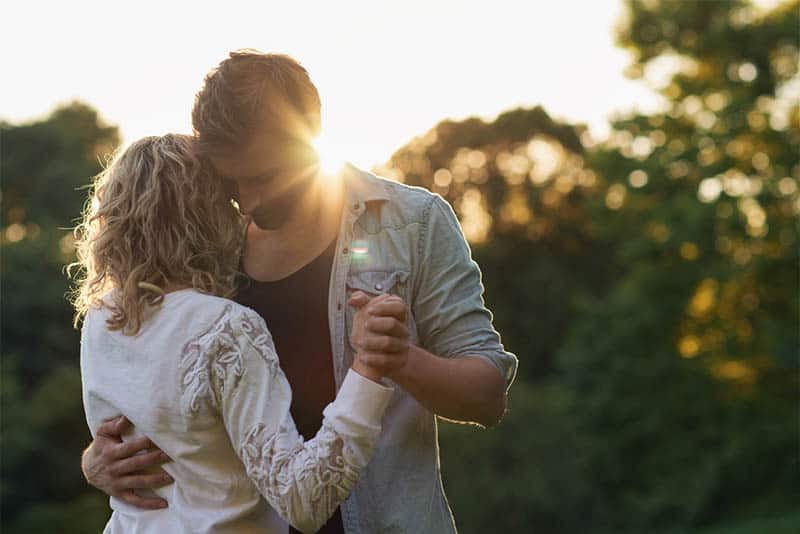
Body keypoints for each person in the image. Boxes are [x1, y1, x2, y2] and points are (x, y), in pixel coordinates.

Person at [82, 50, 518, 533]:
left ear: (311, 132)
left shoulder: (412, 224)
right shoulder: (208, 245)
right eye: (232, 181)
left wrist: (397, 359)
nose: (249, 201)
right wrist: (98, 459)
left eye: (265, 176)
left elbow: (487, 396)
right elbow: (162, 391)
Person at [74, 133, 409, 532]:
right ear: (208, 213)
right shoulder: (225, 327)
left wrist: (91, 464)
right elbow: (302, 499)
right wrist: (368, 367)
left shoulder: (100, 320)